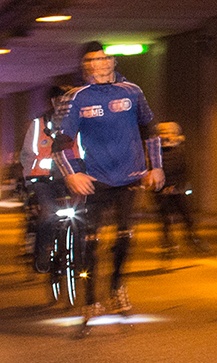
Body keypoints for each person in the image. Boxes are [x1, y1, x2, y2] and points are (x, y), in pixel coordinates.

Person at [53, 41, 164, 326]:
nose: (99, 64)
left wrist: (157, 167)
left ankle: (117, 287)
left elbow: (150, 131)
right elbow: (60, 143)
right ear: (85, 67)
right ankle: (91, 299)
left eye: (104, 59)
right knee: (92, 240)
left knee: (126, 235)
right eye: (92, 60)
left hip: (130, 176)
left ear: (113, 62)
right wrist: (73, 173)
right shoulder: (76, 97)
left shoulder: (132, 91)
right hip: (95, 179)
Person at [20, 85, 70, 277]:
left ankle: (81, 251)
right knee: (49, 211)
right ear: (53, 102)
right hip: (42, 179)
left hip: (69, 178)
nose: (63, 104)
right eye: (59, 100)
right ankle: (44, 251)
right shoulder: (38, 125)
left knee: (82, 213)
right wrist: (28, 185)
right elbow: (27, 156)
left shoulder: (78, 123)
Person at [153, 122, 209, 256]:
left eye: (169, 133)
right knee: (165, 220)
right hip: (163, 191)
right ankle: (167, 244)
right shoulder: (156, 152)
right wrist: (161, 189)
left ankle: (192, 238)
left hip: (178, 190)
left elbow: (185, 170)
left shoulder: (180, 151)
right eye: (163, 133)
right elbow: (154, 172)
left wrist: (180, 186)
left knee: (188, 216)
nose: (166, 136)